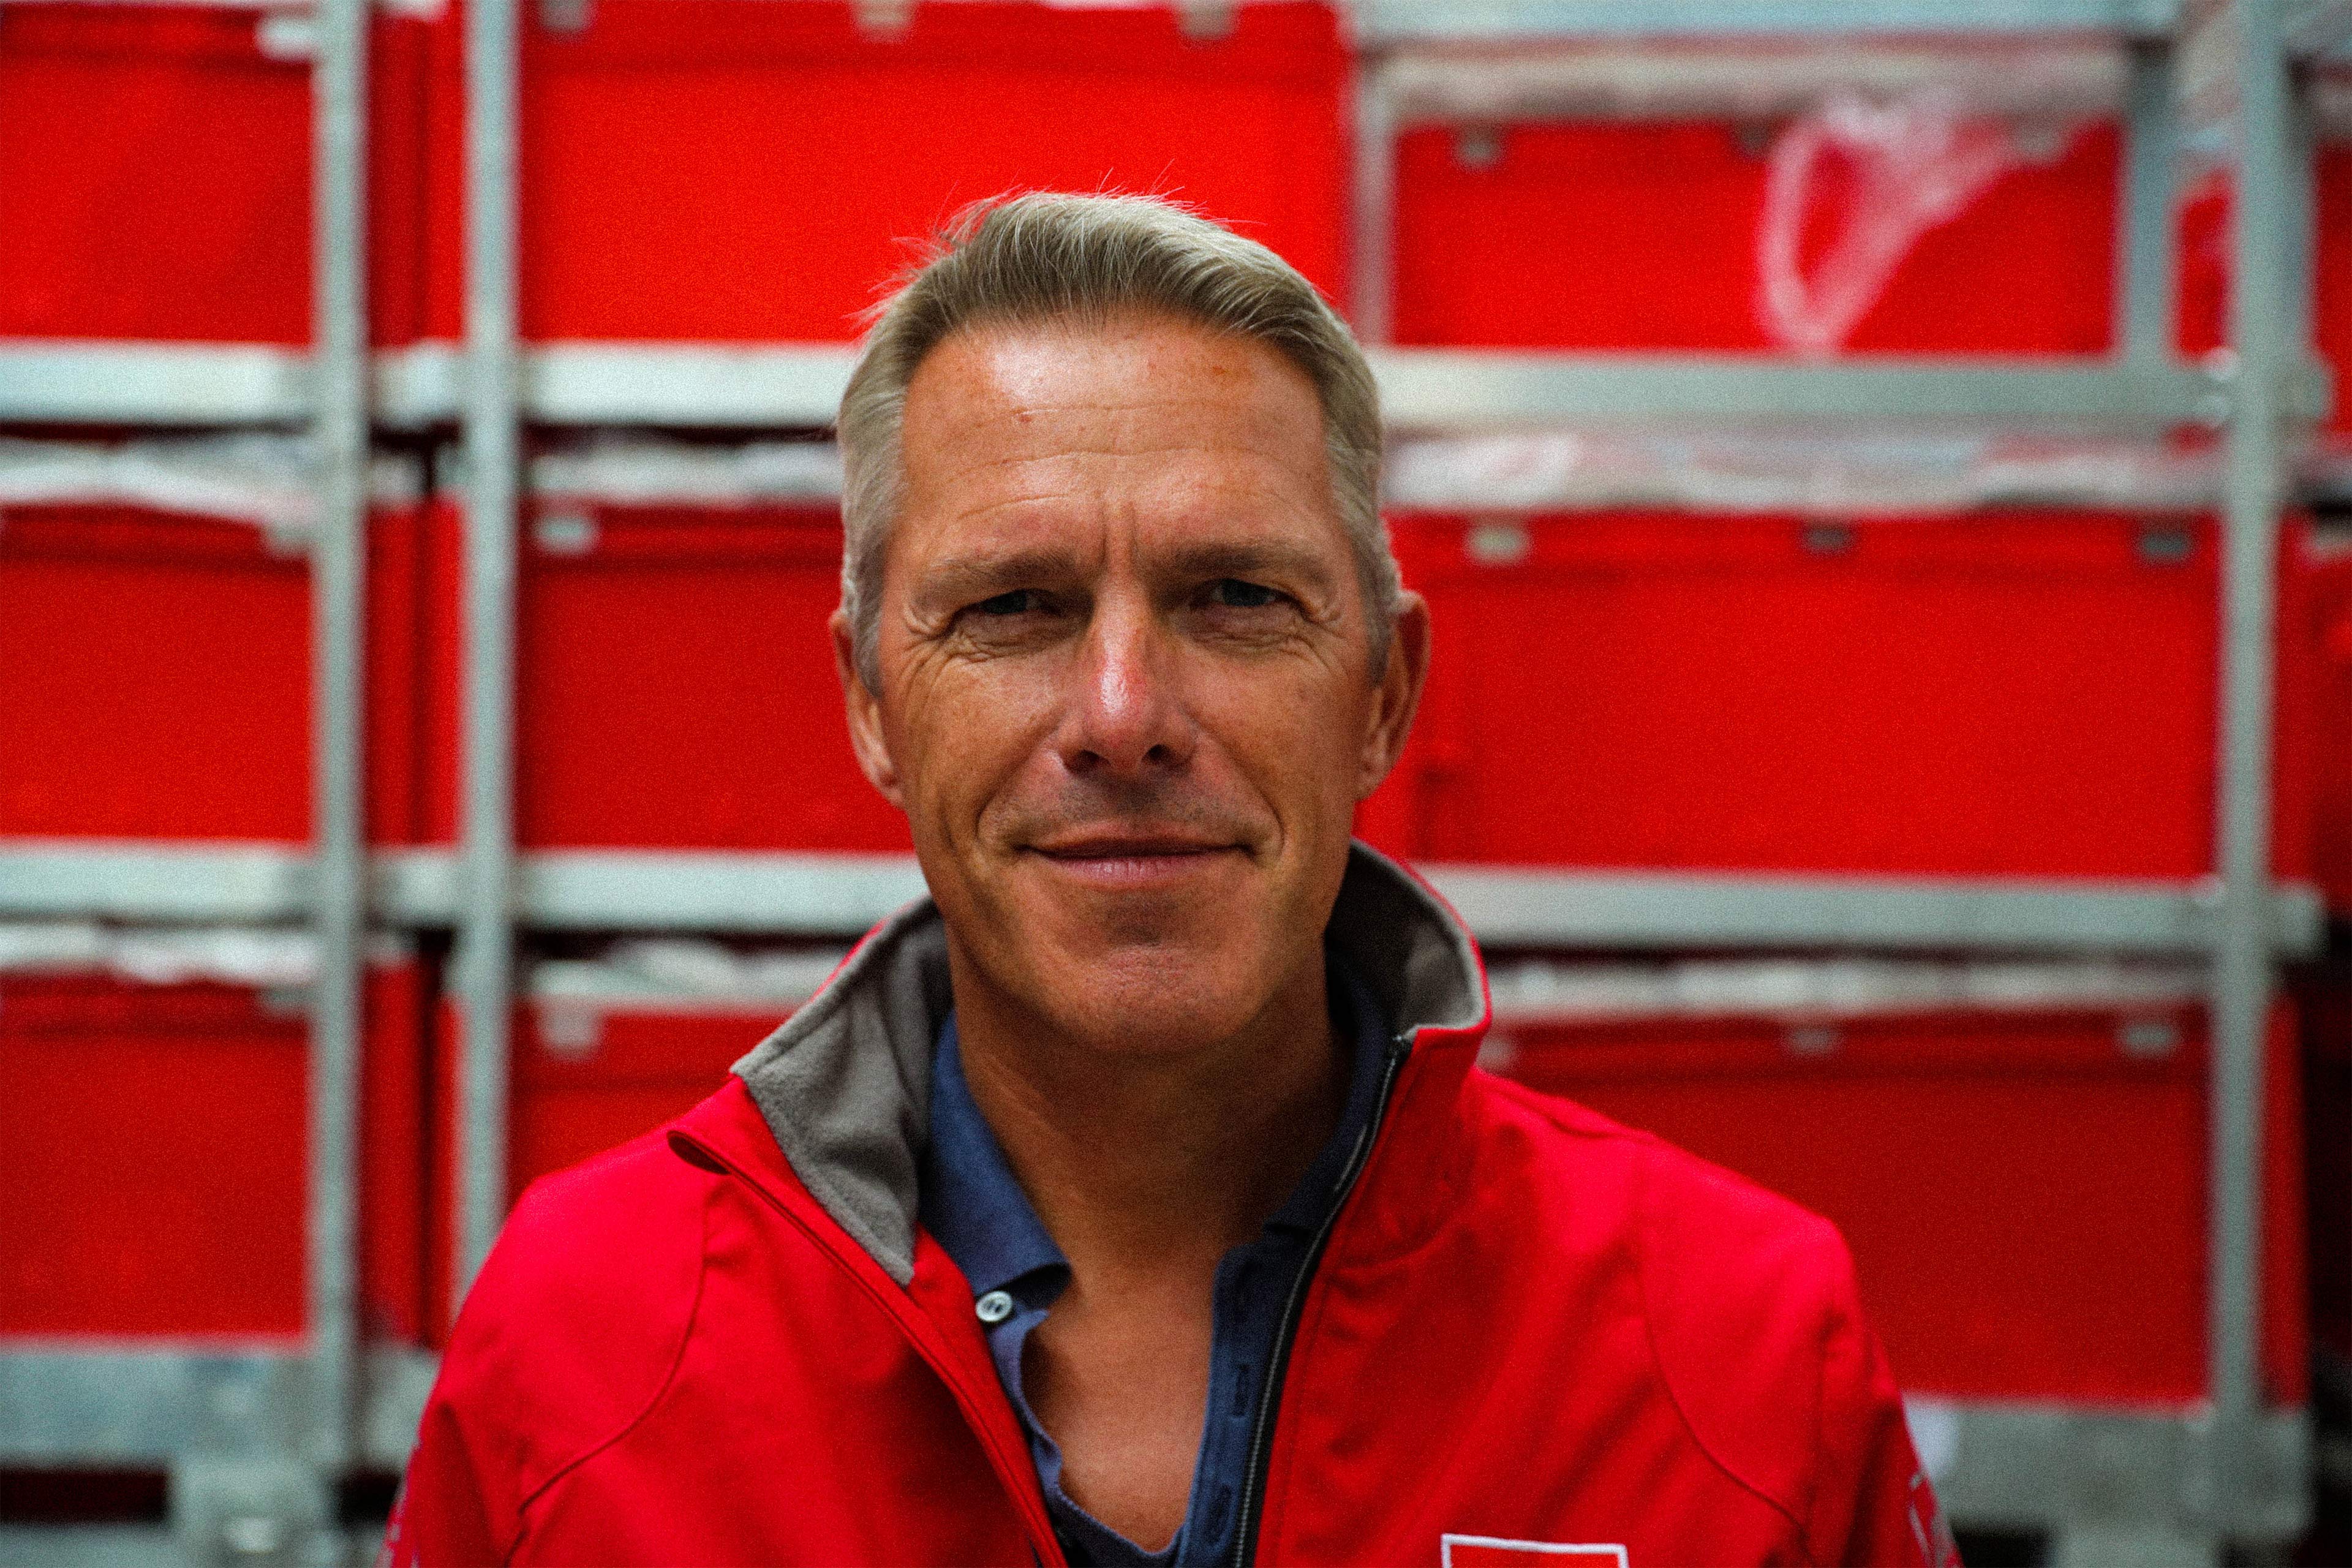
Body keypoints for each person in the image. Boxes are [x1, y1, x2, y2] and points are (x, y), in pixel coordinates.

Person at [385, 192, 1958, 1568]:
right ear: (871, 700)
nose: (1124, 713)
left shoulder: (1747, 1354)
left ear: (1385, 692)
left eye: (1236, 596)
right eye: (1014, 605)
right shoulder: (586, 1346)